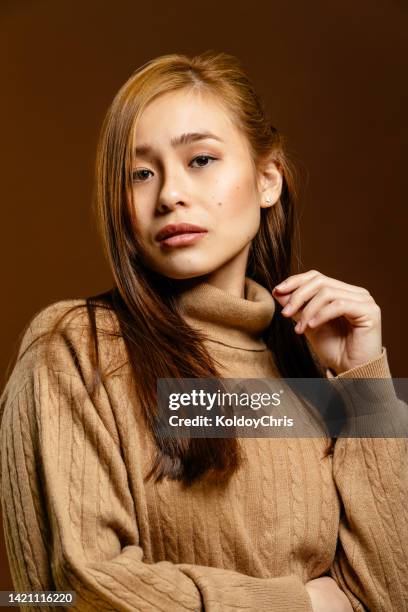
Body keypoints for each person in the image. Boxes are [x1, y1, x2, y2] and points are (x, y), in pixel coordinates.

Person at [1, 50, 407, 612]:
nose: (168, 194)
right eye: (140, 173)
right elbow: (68, 588)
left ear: (268, 180)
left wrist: (365, 384)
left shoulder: (309, 370)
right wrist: (302, 606)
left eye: (200, 160)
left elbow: (391, 595)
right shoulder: (74, 346)